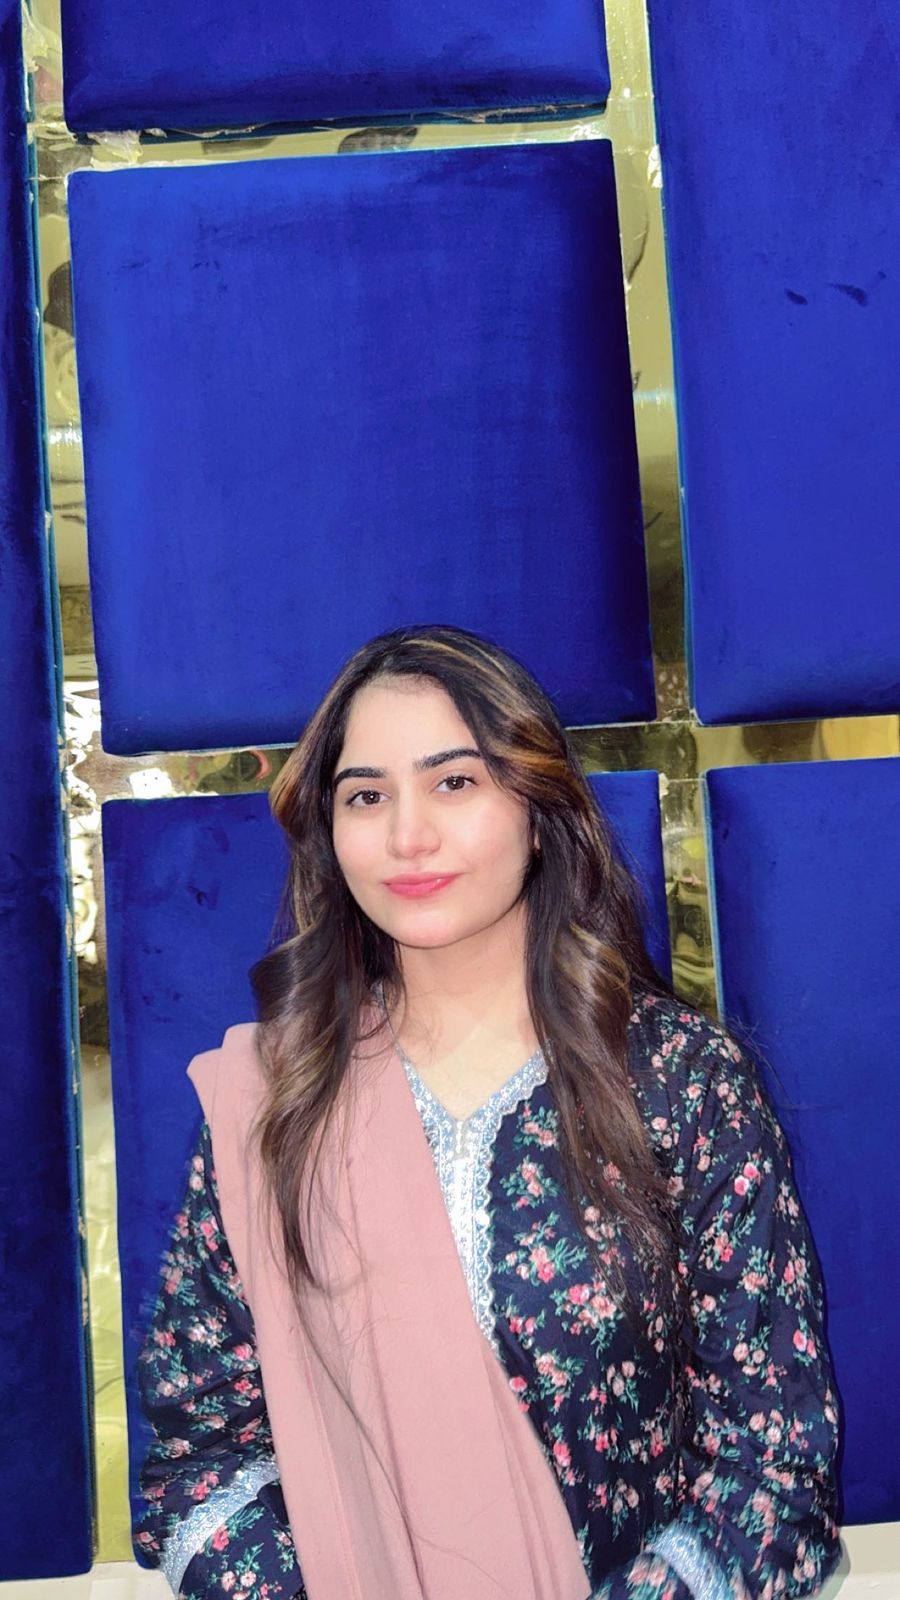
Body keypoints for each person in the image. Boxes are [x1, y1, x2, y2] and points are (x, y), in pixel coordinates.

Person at [131, 624, 841, 1600]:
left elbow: (774, 1468)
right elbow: (199, 1459)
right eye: (366, 795)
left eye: (455, 781)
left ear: (539, 811)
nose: (408, 835)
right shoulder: (272, 1104)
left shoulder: (679, 1082)